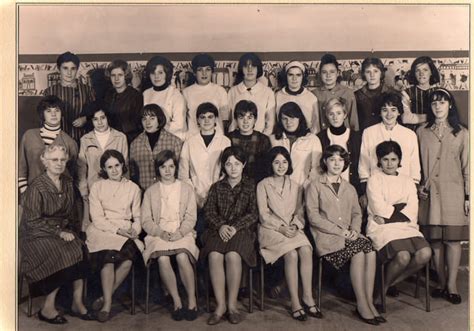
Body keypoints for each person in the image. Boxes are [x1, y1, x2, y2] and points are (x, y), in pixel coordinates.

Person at [306, 145, 383, 326]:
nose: (336, 163)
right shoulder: (315, 185)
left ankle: (369, 302)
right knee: (357, 252)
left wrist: (355, 230)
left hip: (350, 235)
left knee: (370, 250)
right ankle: (362, 304)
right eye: (332, 159)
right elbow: (313, 217)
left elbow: (357, 214)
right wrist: (341, 232)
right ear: (325, 161)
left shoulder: (349, 188)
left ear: (345, 163)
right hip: (328, 238)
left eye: (340, 160)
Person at [20, 145, 93, 324]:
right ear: (45, 162)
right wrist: (59, 232)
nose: (59, 163)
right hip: (36, 235)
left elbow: (71, 212)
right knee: (62, 252)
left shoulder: (67, 183)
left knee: (80, 248)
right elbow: (32, 221)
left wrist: (74, 231)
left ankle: (77, 303)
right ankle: (48, 308)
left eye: (62, 160)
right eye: (54, 160)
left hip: (62, 232)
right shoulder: (36, 187)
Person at [417, 88, 469, 304]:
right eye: (434, 103)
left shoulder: (462, 133)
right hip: (429, 194)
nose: (438, 106)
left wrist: (468, 196)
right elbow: (416, 164)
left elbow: (468, 167)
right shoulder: (422, 131)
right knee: (435, 240)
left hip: (454, 193)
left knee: (452, 240)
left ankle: (452, 285)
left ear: (450, 105)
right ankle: (440, 281)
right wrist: (417, 186)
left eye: (442, 102)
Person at [257, 146, 320, 321]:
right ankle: (295, 302)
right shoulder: (263, 185)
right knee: (291, 255)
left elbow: (300, 212)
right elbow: (263, 215)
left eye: (284, 162)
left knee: (306, 250)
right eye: (276, 162)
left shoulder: (296, 185)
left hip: (292, 229)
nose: (281, 166)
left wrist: (295, 225)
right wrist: (281, 227)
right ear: (271, 164)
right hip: (271, 230)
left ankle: (307, 296)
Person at [366, 141, 432, 302]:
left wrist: (392, 214)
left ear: (399, 160)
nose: (389, 164)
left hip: (406, 226)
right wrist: (399, 208)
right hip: (382, 229)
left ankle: (384, 285)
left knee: (425, 253)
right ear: (379, 160)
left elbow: (412, 208)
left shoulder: (408, 180)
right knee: (402, 257)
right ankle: (381, 291)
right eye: (385, 159)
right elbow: (378, 207)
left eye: (394, 159)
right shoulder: (374, 180)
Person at [201, 146, 258, 325]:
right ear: (223, 167)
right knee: (214, 255)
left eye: (237, 164)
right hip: (218, 230)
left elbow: (254, 213)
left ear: (244, 165)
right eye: (228, 164)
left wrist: (235, 227)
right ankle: (220, 305)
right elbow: (209, 212)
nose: (233, 168)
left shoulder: (250, 186)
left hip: (241, 231)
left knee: (233, 256)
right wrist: (221, 226)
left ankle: (232, 305)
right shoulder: (216, 187)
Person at [86, 150, 144, 322]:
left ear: (122, 165)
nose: (114, 170)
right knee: (108, 258)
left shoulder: (133, 188)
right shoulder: (97, 187)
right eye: (109, 167)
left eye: (117, 165)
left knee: (128, 260)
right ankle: (107, 306)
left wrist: (135, 229)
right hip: (102, 231)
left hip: (125, 230)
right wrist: (118, 231)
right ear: (104, 169)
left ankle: (105, 297)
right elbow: (97, 218)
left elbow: (138, 217)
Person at [141, 150, 199, 321]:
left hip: (182, 231)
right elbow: (146, 220)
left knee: (182, 256)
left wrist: (180, 233)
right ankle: (177, 301)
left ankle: (192, 300)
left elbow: (191, 217)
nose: (167, 170)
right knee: (163, 258)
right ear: (157, 169)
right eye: (163, 167)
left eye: (171, 166)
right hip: (159, 233)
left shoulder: (186, 189)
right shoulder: (151, 191)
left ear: (175, 167)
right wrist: (161, 233)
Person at [77, 107, 128, 230]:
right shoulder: (85, 139)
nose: (100, 122)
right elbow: (82, 166)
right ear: (91, 121)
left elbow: (125, 164)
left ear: (108, 118)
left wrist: (125, 188)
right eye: (95, 119)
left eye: (102, 118)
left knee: (114, 223)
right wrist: (83, 188)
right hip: (93, 187)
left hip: (115, 188)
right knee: (94, 224)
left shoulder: (120, 137)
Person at [359, 92, 421, 189]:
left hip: (403, 188)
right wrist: (365, 191)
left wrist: (413, 189)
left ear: (399, 112)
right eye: (384, 110)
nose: (389, 114)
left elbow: (415, 166)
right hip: (376, 188)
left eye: (393, 110)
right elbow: (364, 164)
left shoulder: (410, 135)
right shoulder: (369, 133)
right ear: (379, 112)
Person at [19, 96, 78, 196]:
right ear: (43, 114)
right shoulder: (29, 136)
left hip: (59, 198)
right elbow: (21, 168)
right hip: (31, 195)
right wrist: (25, 193)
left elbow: (72, 173)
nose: (53, 114)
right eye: (48, 111)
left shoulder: (70, 142)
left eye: (57, 110)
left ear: (62, 113)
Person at [178, 102, 231, 211]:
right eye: (202, 117)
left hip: (220, 195)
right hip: (194, 195)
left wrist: (215, 193)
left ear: (216, 119)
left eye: (210, 117)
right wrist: (194, 195)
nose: (206, 121)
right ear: (197, 120)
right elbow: (183, 173)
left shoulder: (225, 141)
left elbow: (228, 171)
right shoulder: (189, 142)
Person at [43, 51, 95, 142]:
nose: (69, 72)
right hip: (58, 140)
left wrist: (86, 119)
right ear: (59, 69)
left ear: (77, 69)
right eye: (65, 68)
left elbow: (96, 112)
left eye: (73, 68)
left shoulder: (87, 90)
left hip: (83, 139)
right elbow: (44, 117)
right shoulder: (50, 91)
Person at [130, 104, 183, 191]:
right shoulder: (135, 144)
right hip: (144, 194)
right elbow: (132, 172)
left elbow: (180, 171)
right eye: (144, 119)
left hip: (169, 192)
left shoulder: (174, 142)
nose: (148, 122)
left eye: (152, 118)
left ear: (159, 119)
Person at [317, 97, 363, 197]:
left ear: (345, 115)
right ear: (327, 116)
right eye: (331, 114)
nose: (335, 117)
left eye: (338, 113)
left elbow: (362, 166)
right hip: (327, 190)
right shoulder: (320, 138)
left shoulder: (356, 137)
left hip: (352, 188)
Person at [270, 101, 322, 188]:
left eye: (292, 118)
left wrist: (304, 188)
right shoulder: (272, 139)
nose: (288, 122)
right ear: (280, 120)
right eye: (284, 119)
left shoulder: (312, 140)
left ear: (299, 118)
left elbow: (317, 169)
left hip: (303, 190)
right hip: (277, 190)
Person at [228, 53, 275, 135]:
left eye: (253, 66)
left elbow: (270, 123)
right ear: (241, 69)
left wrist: (262, 140)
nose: (250, 70)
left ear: (258, 69)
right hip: (236, 140)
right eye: (246, 66)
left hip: (259, 141)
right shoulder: (233, 91)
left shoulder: (268, 92)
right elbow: (230, 120)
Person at [182, 53, 229, 136]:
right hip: (193, 138)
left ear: (212, 71)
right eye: (200, 70)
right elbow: (183, 120)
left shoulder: (220, 91)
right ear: (194, 72)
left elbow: (225, 120)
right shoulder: (186, 92)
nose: (204, 73)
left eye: (208, 69)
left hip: (216, 139)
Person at [142, 55, 187, 140]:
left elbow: (179, 124)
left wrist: (156, 128)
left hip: (173, 139)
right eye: (153, 73)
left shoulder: (175, 94)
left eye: (160, 72)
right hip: (151, 139)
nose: (156, 77)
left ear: (167, 74)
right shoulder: (146, 94)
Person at [227, 100, 271, 182]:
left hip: (256, 183)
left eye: (250, 117)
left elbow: (266, 169)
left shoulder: (263, 140)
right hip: (233, 182)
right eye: (241, 117)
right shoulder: (228, 138)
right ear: (236, 119)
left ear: (255, 120)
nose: (245, 121)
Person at [312, 54, 359, 131]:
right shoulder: (314, 94)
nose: (328, 75)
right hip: (322, 138)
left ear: (337, 73)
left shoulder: (348, 93)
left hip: (344, 138)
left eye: (332, 72)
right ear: (320, 74)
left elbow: (353, 121)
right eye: (324, 72)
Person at [103, 59, 144, 143]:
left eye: (120, 75)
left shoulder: (135, 96)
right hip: (111, 139)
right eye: (113, 75)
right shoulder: (108, 95)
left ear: (125, 76)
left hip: (130, 140)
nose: (116, 79)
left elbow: (138, 123)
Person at [355, 57, 399, 132]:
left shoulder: (392, 93)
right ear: (363, 74)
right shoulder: (357, 95)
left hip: (387, 135)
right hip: (364, 136)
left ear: (381, 73)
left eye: (375, 71)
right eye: (368, 72)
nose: (372, 75)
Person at [275, 60, 320, 134]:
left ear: (303, 77)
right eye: (291, 75)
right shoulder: (277, 96)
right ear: (286, 76)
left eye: (298, 75)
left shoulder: (311, 98)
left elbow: (315, 126)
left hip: (305, 138)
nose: (294, 78)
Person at [401, 56, 441, 131]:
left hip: (435, 133)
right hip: (414, 133)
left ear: (431, 72)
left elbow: (446, 117)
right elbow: (405, 119)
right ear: (414, 73)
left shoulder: (439, 92)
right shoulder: (406, 92)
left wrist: (415, 118)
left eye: (425, 70)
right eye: (417, 70)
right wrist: (433, 116)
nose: (421, 73)